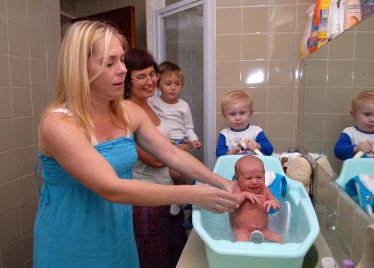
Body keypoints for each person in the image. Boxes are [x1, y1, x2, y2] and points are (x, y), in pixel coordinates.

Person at [33, 21, 238, 268]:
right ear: (79, 68)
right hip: (72, 243)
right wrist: (193, 194)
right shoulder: (59, 123)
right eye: (109, 63)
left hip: (118, 237)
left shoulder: (127, 112)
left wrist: (223, 183)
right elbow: (111, 188)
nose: (122, 70)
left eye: (121, 60)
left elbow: (172, 153)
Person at [123, 49, 205, 267]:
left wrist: (181, 147)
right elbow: (157, 159)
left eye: (151, 74)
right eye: (141, 76)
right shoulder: (124, 112)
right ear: (127, 81)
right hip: (146, 201)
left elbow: (177, 143)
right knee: (154, 260)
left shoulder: (154, 105)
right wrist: (180, 149)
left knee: (176, 256)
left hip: (170, 195)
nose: (150, 81)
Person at [149, 61, 201, 184]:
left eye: (177, 84)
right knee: (168, 172)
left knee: (181, 172)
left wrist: (194, 140)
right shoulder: (152, 102)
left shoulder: (184, 106)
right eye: (168, 84)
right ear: (158, 85)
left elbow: (188, 128)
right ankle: (178, 197)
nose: (173, 88)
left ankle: (182, 197)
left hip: (179, 142)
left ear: (182, 85)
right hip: (161, 143)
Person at [232, 155, 282, 243]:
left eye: (259, 177)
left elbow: (277, 204)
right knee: (242, 243)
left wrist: (273, 202)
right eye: (248, 178)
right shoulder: (238, 190)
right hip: (242, 230)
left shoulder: (265, 190)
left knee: (278, 239)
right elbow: (232, 203)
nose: (255, 182)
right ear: (237, 179)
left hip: (263, 230)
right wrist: (244, 195)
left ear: (264, 176)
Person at [216, 89, 273, 158]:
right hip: (231, 167)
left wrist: (257, 146)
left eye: (242, 113)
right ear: (225, 116)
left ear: (250, 113)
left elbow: (269, 150)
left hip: (253, 166)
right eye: (232, 114)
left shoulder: (256, 131)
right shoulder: (224, 134)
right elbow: (219, 154)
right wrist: (232, 152)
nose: (238, 118)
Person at [334, 90, 374, 160]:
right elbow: (338, 151)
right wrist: (356, 148)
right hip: (355, 170)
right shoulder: (350, 132)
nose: (372, 120)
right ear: (354, 115)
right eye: (367, 114)